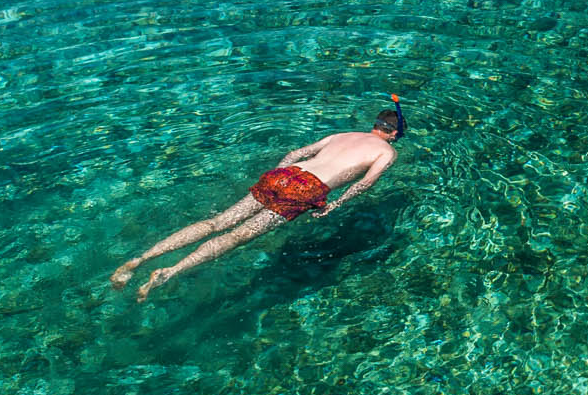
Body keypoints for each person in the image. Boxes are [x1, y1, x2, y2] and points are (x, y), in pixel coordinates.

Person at [111, 103, 403, 302]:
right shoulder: (386, 153)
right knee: (238, 236)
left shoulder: (342, 135)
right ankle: (169, 272)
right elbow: (365, 183)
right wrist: (335, 204)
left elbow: (293, 154)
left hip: (285, 175)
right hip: (306, 190)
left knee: (218, 222)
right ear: (394, 133)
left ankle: (140, 259)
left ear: (375, 124)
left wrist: (278, 173)